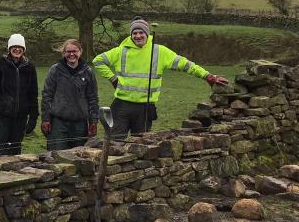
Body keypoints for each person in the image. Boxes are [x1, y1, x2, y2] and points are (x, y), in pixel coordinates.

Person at [92, 16, 229, 139]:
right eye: (135, 33)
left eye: (141, 32)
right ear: (131, 35)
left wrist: (208, 76)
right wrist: (112, 78)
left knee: (141, 146)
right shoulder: (120, 51)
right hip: (122, 105)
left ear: (147, 34)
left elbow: (186, 65)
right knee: (114, 143)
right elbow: (97, 61)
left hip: (145, 108)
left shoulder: (159, 51)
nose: (138, 36)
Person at [0, 34, 39, 156]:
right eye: (14, 47)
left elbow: (33, 94)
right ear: (9, 48)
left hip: (20, 117)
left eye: (20, 47)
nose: (17, 49)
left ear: (24, 49)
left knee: (15, 151)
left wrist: (33, 117)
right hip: (1, 115)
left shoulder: (30, 67)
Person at [41, 39, 99, 150]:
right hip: (58, 123)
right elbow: (47, 96)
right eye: (68, 51)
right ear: (64, 53)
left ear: (80, 52)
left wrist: (93, 121)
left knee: (79, 157)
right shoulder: (55, 70)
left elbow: (93, 98)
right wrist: (46, 119)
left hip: (80, 124)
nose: (71, 54)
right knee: (56, 157)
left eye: (75, 51)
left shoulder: (88, 72)